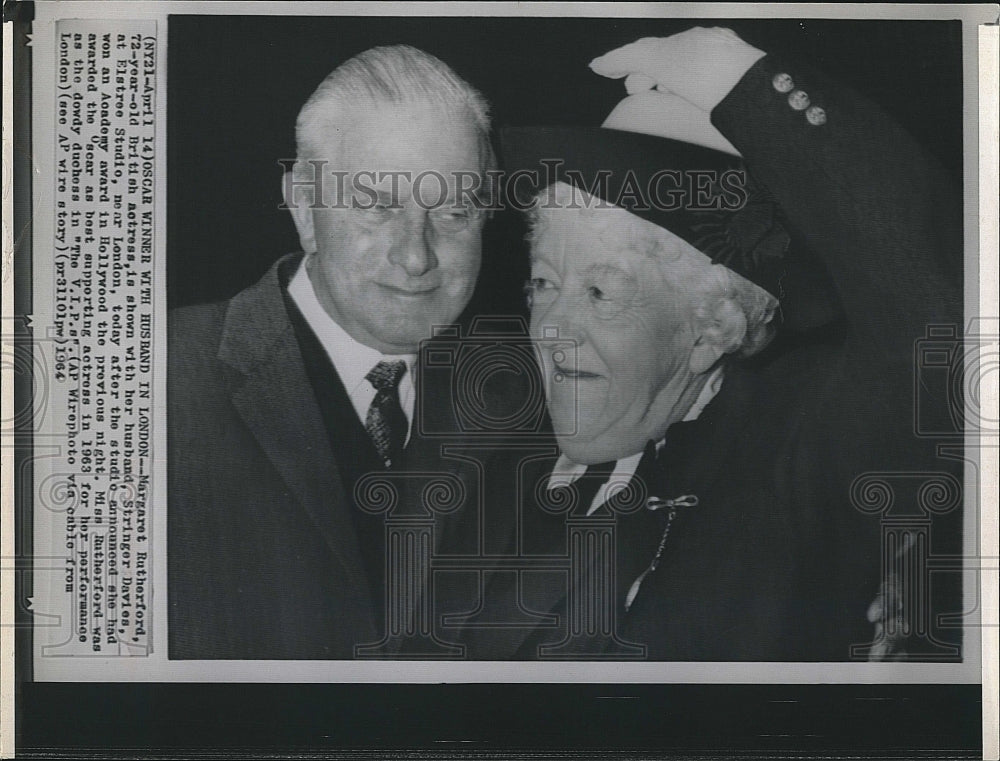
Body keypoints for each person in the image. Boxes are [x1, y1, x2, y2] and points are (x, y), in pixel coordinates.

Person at [479, 27, 963, 661]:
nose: (549, 326)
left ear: (712, 326)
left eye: (600, 293)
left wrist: (740, 82)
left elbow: (934, 320)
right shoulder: (496, 467)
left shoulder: (803, 447)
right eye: (544, 282)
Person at [167, 45, 498, 659]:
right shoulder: (150, 384)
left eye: (454, 211)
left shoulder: (532, 400)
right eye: (376, 206)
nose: (417, 256)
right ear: (303, 206)